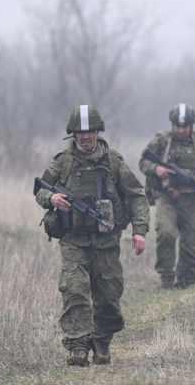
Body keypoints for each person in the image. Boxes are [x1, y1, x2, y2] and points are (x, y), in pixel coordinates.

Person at [34, 104, 150, 366]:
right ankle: (77, 346)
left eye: (90, 131)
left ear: (98, 132)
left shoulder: (113, 162)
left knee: (108, 295)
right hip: (73, 240)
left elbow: (136, 196)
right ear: (72, 135)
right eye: (80, 132)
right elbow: (39, 189)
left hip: (106, 241)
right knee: (75, 290)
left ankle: (102, 341)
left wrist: (139, 230)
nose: (85, 136)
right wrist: (52, 197)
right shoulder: (62, 162)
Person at [139, 103, 195, 290]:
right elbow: (143, 161)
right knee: (165, 232)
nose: (180, 130)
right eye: (177, 126)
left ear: (191, 126)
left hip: (194, 199)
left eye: (184, 126)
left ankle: (186, 280)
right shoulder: (162, 140)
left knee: (191, 240)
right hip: (167, 197)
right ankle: (166, 278)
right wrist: (157, 168)